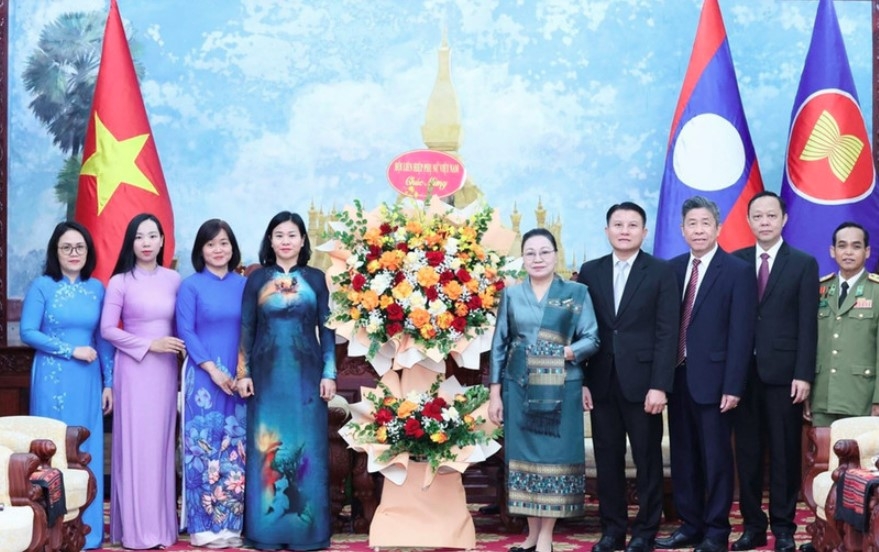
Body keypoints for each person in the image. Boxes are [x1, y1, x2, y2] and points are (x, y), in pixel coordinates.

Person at [489, 227, 600, 552]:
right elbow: (500, 345)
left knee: (555, 459)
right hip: (519, 386)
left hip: (562, 387)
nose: (538, 259)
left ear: (556, 255)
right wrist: (495, 393)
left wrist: (564, 353)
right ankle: (532, 534)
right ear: (522, 259)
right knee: (524, 460)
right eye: (530, 253)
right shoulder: (511, 295)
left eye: (544, 252)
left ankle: (547, 536)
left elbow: (592, 339)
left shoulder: (576, 293)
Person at [656, 196, 756, 552]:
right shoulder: (671, 269)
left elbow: (742, 334)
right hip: (678, 378)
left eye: (705, 223)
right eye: (691, 224)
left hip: (716, 383)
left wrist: (734, 384)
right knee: (683, 457)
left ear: (718, 227)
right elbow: (666, 327)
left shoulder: (737, 271)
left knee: (715, 460)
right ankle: (690, 524)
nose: (698, 230)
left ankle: (716, 531)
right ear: (682, 231)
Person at [578, 202, 679, 552]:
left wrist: (660, 385)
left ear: (644, 232)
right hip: (602, 381)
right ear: (607, 231)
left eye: (632, 225)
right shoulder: (590, 271)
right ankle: (612, 530)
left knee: (648, 461)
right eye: (617, 224)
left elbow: (668, 332)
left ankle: (645, 532)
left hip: (644, 384)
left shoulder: (662, 272)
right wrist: (583, 381)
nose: (624, 230)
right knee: (608, 461)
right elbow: (581, 330)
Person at [236, 211, 337, 551]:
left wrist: (329, 373)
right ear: (270, 241)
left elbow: (327, 329)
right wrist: (243, 372)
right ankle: (265, 530)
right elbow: (246, 328)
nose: (285, 241)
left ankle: (307, 530)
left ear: (303, 240)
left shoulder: (317, 279)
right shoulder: (256, 279)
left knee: (305, 446)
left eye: (291, 235)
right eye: (278, 235)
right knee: (267, 446)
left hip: (306, 376)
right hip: (265, 376)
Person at [731, 192, 818, 552]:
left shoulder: (802, 263)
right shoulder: (734, 262)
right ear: (748, 221)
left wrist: (804, 374)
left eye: (771, 215)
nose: (764, 222)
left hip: (785, 376)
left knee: (784, 454)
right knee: (748, 454)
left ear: (783, 220)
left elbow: (807, 324)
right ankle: (753, 526)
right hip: (741, 376)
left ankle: (783, 527)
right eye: (758, 216)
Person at [20, 221, 114, 549]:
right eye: (66, 247)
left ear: (88, 252)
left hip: (88, 380)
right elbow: (28, 332)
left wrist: (109, 382)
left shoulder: (97, 289)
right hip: (52, 377)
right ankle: (52, 531)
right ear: (55, 252)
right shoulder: (43, 286)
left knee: (84, 450)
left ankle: (86, 531)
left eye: (80, 247)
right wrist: (70, 350)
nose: (74, 253)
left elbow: (102, 340)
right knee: (53, 452)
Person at [101, 213, 184, 549]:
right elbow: (108, 330)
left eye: (152, 236)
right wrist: (149, 344)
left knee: (161, 448)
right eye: (139, 237)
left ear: (163, 241)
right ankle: (135, 531)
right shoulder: (120, 281)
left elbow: (183, 326)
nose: (147, 243)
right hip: (134, 370)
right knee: (136, 448)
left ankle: (162, 529)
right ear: (130, 242)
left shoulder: (175, 279)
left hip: (165, 371)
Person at [176, 219, 247, 548]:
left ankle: (230, 525)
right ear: (200, 250)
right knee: (202, 451)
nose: (219, 250)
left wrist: (243, 372)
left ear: (232, 248)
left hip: (238, 379)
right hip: (203, 379)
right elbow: (186, 332)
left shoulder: (244, 285)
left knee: (235, 451)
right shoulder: (190, 286)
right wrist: (213, 371)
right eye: (211, 244)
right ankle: (203, 527)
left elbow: (252, 329)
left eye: (224, 243)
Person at [808, 221, 879, 426]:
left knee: (858, 457)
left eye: (856, 246)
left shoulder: (876, 290)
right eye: (842, 245)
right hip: (823, 398)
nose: (848, 252)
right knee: (822, 457)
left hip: (861, 398)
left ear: (867, 252)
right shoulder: (819, 288)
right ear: (832, 251)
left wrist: (878, 399)